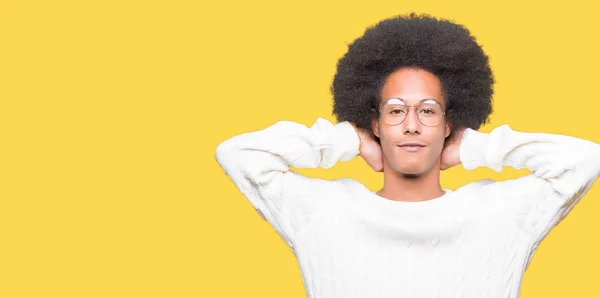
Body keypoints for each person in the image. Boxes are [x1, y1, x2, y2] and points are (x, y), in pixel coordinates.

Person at [215, 13, 600, 298]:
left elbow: (585, 159)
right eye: (396, 110)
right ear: (375, 122)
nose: (412, 125)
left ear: (449, 124)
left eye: (428, 110)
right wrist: (348, 140)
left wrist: (472, 147)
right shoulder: (324, 209)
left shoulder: (499, 211)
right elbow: (237, 154)